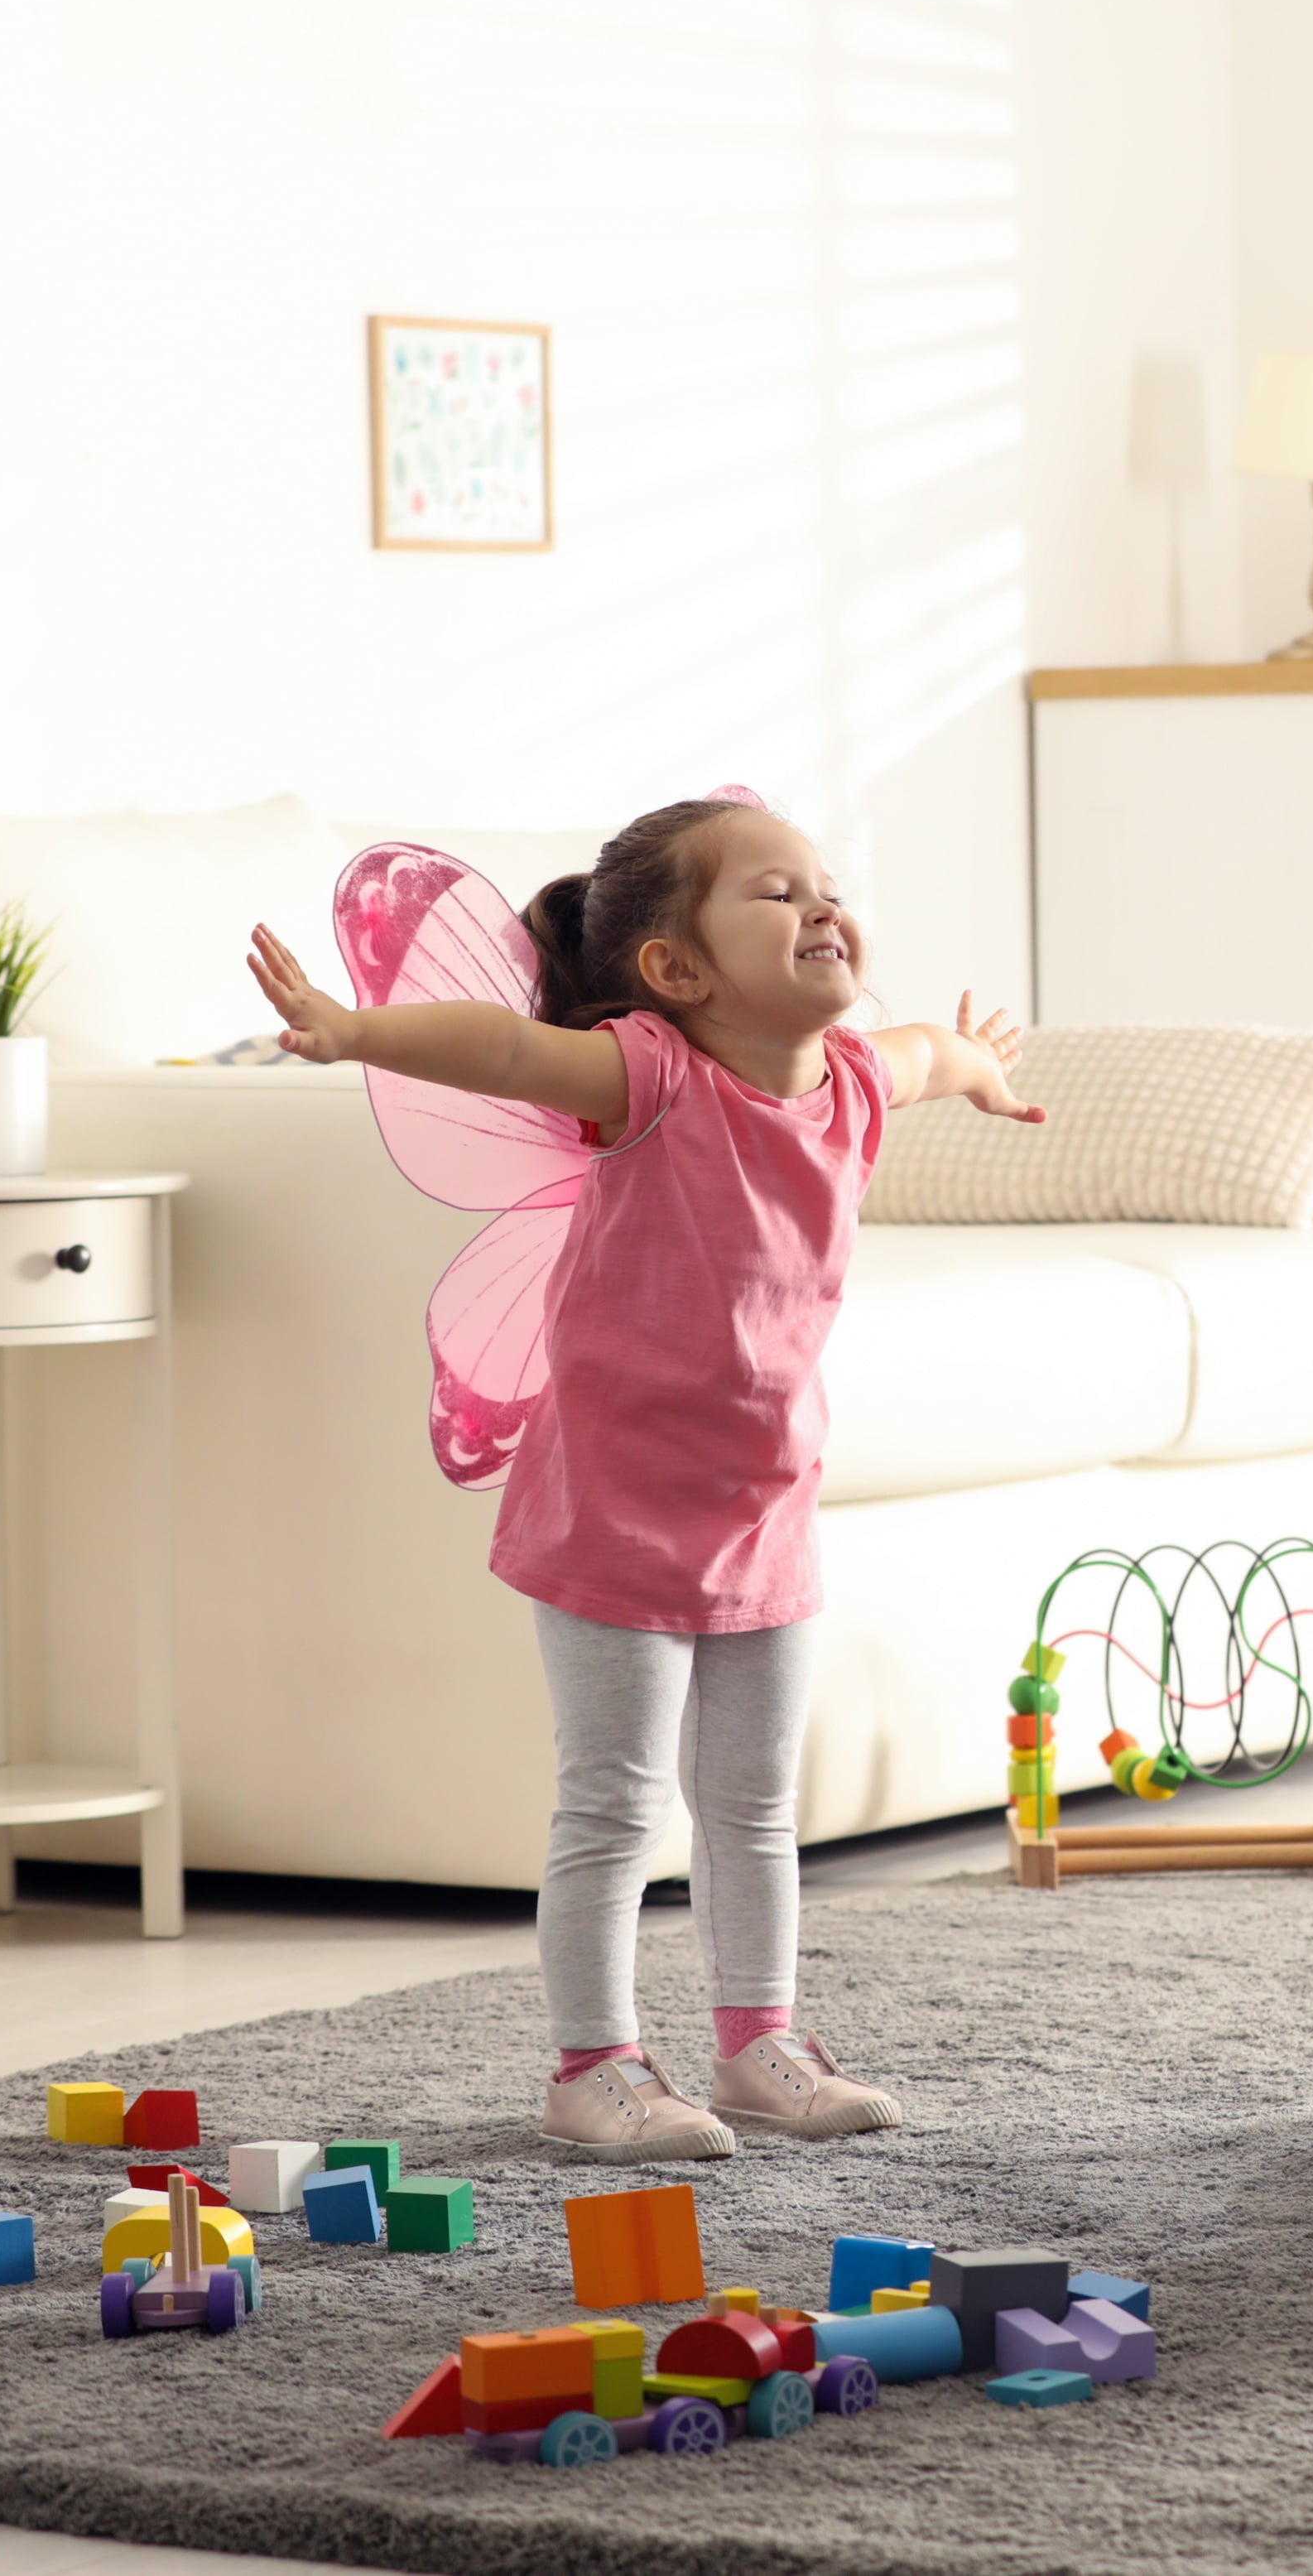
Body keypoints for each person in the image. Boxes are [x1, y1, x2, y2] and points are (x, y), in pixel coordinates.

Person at [242, 797, 1043, 2157]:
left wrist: (978, 1065)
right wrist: (352, 1028)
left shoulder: (847, 1080)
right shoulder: (649, 1075)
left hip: (765, 1505)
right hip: (612, 1504)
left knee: (753, 1800)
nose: (822, 908)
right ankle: (592, 2067)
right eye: (776, 894)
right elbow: (499, 1045)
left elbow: (924, 1048)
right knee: (615, 1800)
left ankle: (759, 2045)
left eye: (827, 884)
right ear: (675, 970)